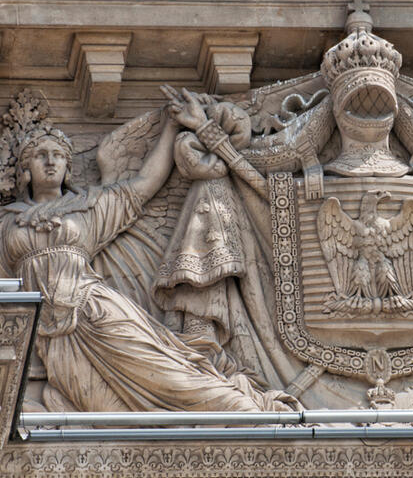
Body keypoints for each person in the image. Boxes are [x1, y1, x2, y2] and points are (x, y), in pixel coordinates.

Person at [0, 88, 298, 413]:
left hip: (95, 310)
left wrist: (171, 127)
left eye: (58, 155)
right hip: (52, 338)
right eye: (41, 155)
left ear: (69, 168)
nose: (50, 161)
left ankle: (239, 407)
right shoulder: (6, 222)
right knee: (102, 409)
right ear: (25, 169)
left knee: (166, 374)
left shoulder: (88, 208)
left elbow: (146, 183)